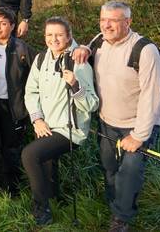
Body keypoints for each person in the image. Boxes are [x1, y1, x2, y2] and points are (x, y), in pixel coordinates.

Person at [73, 1, 160, 232]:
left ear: (128, 22)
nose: (107, 25)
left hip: (138, 124)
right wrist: (83, 47)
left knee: (130, 170)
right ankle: (116, 202)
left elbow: (152, 95)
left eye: (113, 20)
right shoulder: (100, 42)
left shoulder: (144, 50)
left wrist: (139, 136)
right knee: (109, 166)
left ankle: (121, 218)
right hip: (107, 122)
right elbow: (88, 47)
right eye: (103, 19)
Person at [22, 17, 99, 225]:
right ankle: (55, 197)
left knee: (29, 155)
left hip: (71, 129)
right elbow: (31, 92)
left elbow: (92, 105)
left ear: (69, 36)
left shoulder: (78, 62)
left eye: (59, 35)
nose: (53, 39)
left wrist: (75, 85)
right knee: (46, 159)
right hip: (46, 124)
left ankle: (41, 210)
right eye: (49, 34)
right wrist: (37, 119)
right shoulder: (41, 59)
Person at [0, 6, 35, 195]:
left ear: (12, 26)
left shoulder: (21, 48)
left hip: (13, 107)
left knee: (10, 149)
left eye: (3, 24)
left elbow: (38, 71)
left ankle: (10, 189)